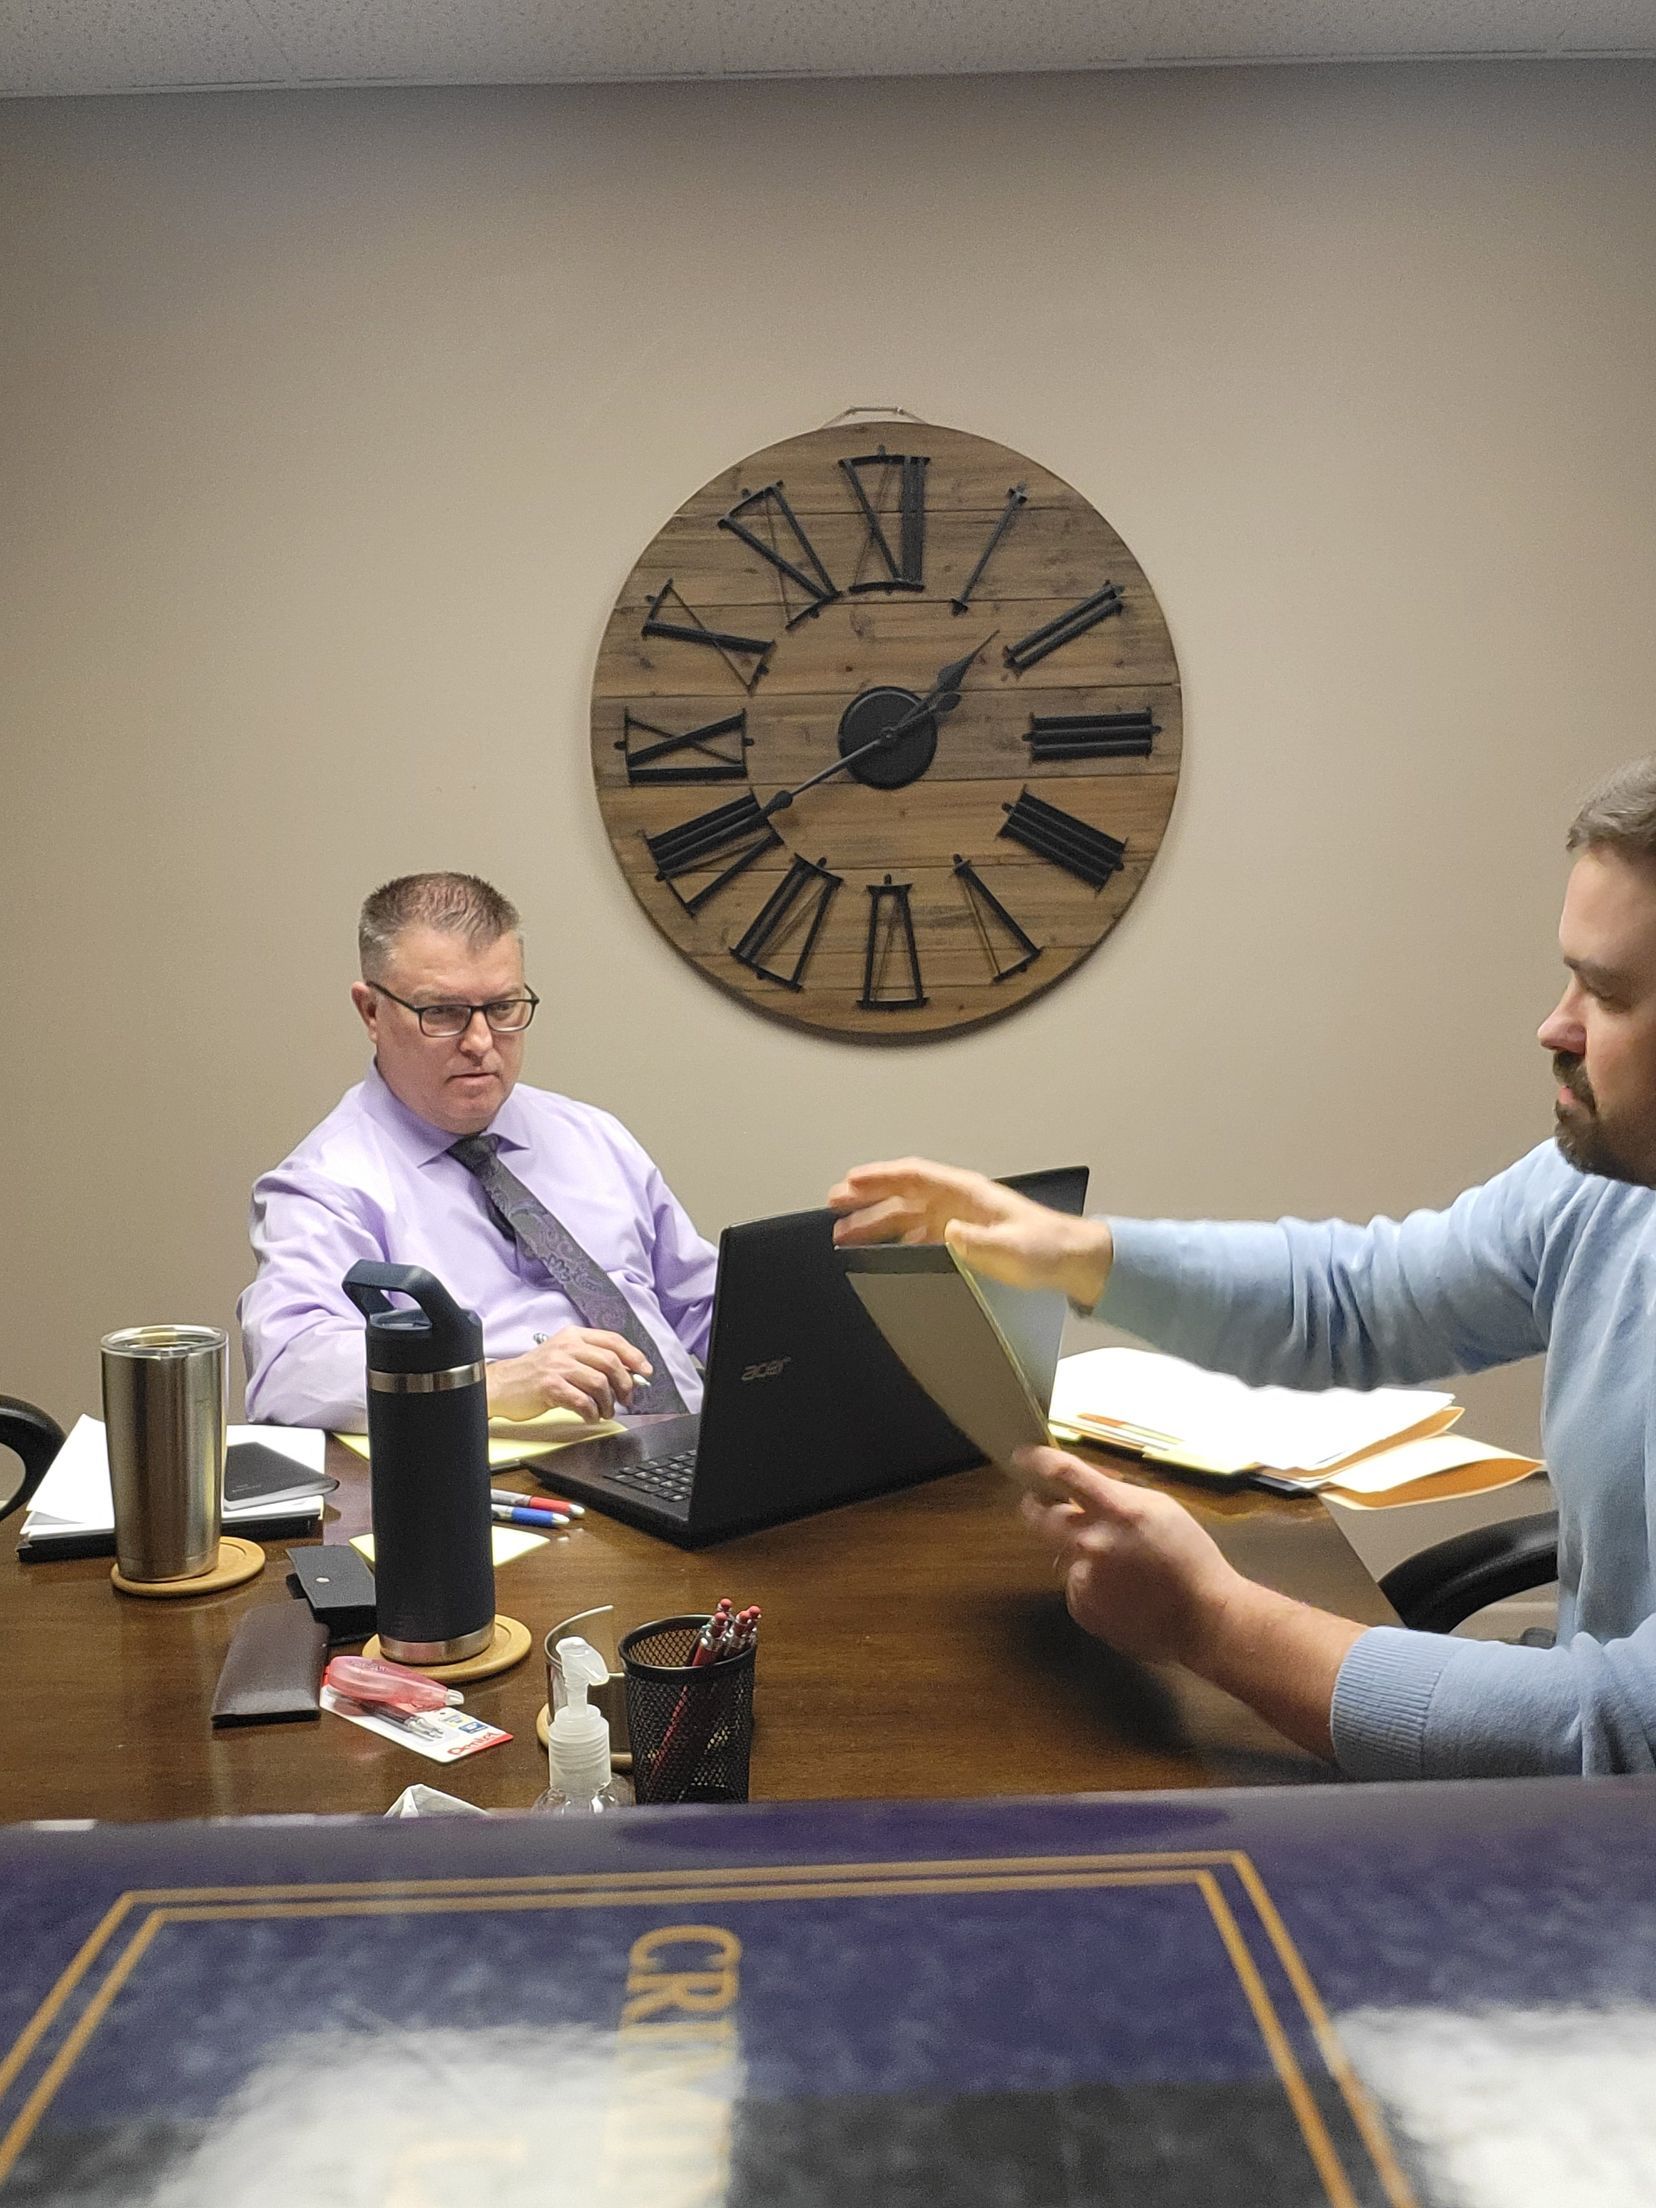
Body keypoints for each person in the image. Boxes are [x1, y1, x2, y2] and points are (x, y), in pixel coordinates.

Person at [829, 755, 1656, 1781]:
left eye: (1609, 994)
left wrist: (1208, 1617)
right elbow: (1359, 1300)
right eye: (1570, 973)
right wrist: (1079, 1254)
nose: (1555, 1025)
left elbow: (1616, 1737)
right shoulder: (1609, 1187)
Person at [240, 872, 716, 1430]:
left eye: (503, 1008)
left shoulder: (592, 1136)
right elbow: (289, 1370)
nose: (481, 1042)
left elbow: (708, 1308)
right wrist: (491, 1380)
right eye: (441, 1013)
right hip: (528, 1490)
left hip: (690, 1456)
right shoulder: (328, 1184)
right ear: (371, 1012)